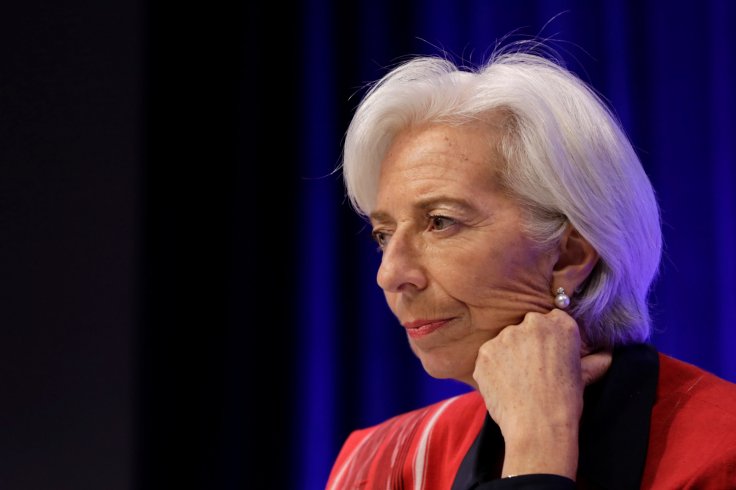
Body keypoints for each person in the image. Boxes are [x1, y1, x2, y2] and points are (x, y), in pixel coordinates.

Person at [325, 43, 736, 489]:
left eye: (440, 222)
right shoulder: (384, 464)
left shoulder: (721, 450)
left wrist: (536, 456)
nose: (390, 274)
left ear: (570, 255)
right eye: (384, 234)